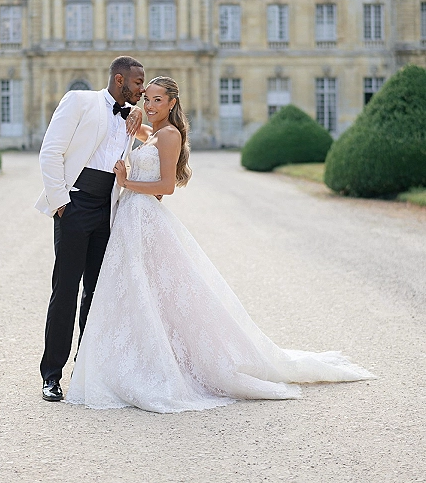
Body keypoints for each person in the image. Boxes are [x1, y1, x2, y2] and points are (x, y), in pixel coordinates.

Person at [66, 76, 375, 413]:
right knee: (142, 293)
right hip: (133, 219)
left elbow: (166, 187)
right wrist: (133, 117)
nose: (150, 105)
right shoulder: (156, 133)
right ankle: (137, 358)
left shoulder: (168, 135)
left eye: (157, 100)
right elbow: (136, 137)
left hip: (142, 218)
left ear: (172, 103)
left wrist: (126, 181)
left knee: (148, 290)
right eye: (147, 99)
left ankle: (157, 365)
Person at [35, 56, 147, 402]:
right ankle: (51, 375)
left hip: (107, 210)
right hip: (75, 205)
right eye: (138, 83)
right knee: (65, 290)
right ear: (119, 80)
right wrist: (61, 203)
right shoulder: (79, 101)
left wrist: (140, 115)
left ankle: (85, 370)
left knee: (96, 293)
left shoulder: (131, 115)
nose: (142, 91)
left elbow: (163, 135)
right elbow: (51, 151)